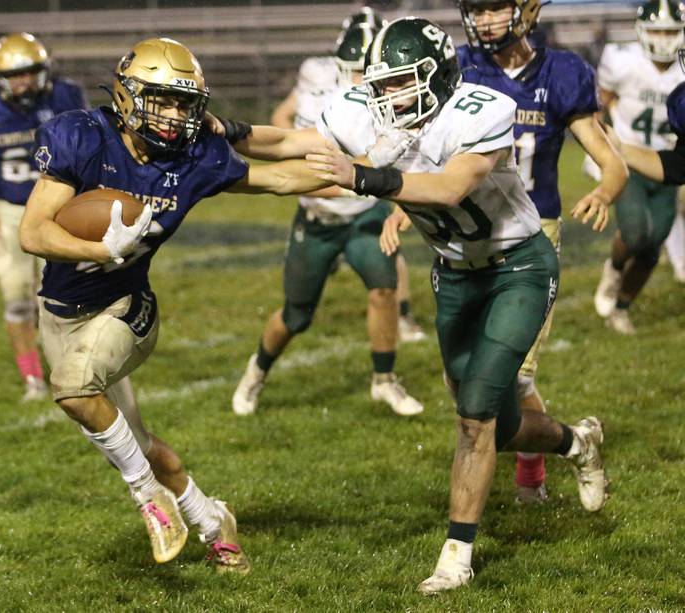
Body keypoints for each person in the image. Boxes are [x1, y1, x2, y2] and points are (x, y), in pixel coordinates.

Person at [305, 17, 609, 594]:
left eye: (400, 82)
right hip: (454, 274)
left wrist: (366, 178)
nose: (387, 95)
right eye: (384, 84)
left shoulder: (482, 108)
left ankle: (456, 555)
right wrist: (228, 141)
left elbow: (447, 188)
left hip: (518, 265)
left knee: (474, 415)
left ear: (435, 76)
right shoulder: (387, 118)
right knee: (502, 421)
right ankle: (577, 440)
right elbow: (299, 144)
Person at [18, 37, 331, 572]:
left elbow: (277, 177)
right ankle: (213, 522)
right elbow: (33, 231)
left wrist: (368, 172)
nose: (173, 115)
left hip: (126, 308)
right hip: (61, 311)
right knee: (134, 440)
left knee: (72, 388)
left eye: (184, 104)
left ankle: (150, 499)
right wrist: (99, 247)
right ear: (126, 94)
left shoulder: (194, 158)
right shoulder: (82, 137)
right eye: (161, 100)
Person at [454, 0, 627, 503]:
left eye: (495, 7)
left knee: (510, 377)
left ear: (526, 8)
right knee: (469, 380)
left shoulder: (561, 73)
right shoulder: (461, 67)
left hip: (533, 236)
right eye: (477, 9)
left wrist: (603, 191)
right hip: (467, 235)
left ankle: (535, 473)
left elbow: (610, 163)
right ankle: (566, 450)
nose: (485, 21)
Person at [231, 11, 425, 418]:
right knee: (296, 316)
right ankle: (257, 371)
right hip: (317, 218)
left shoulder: (381, 100)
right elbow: (291, 140)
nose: (361, 78)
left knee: (384, 288)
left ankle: (385, 380)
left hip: (361, 216)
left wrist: (391, 200)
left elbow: (399, 162)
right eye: (355, 69)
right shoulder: (321, 88)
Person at [270, 8, 427, 345]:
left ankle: (401, 321)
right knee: (298, 309)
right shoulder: (322, 84)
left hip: (362, 201)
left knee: (387, 254)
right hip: (324, 202)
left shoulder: (387, 91)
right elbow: (285, 124)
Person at [0, 32, 88, 402]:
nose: (23, 81)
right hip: (8, 212)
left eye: (29, 72)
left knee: (59, 297)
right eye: (15, 74)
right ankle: (32, 380)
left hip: (56, 208)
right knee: (17, 299)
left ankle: (71, 373)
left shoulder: (63, 98)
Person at [593, 0, 685, 332]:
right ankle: (615, 268)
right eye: (657, 30)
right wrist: (604, 142)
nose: (663, 39)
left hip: (670, 163)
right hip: (628, 159)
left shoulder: (680, 69)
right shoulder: (624, 61)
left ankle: (621, 307)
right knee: (634, 234)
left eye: (670, 31)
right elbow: (599, 101)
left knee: (652, 247)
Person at [610, 48, 685, 282]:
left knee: (653, 242)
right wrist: (618, 147)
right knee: (637, 235)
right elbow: (678, 165)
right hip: (640, 164)